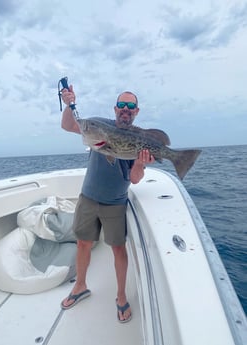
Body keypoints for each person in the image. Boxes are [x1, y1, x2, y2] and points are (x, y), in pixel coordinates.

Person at [60, 84, 155, 323]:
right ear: (115, 108)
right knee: (83, 243)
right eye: (122, 105)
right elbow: (70, 125)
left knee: (117, 249)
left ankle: (121, 297)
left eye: (130, 106)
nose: (125, 109)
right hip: (88, 197)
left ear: (137, 111)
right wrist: (68, 103)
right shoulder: (98, 126)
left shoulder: (141, 138)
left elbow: (134, 178)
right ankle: (80, 286)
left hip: (115, 203)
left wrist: (141, 163)